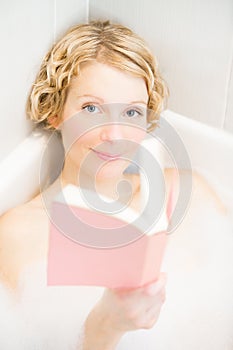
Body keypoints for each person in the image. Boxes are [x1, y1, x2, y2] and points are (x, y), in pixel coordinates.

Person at [0, 20, 230, 350]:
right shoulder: (21, 233)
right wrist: (107, 324)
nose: (115, 134)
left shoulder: (188, 194)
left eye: (132, 113)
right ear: (56, 112)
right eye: (91, 108)